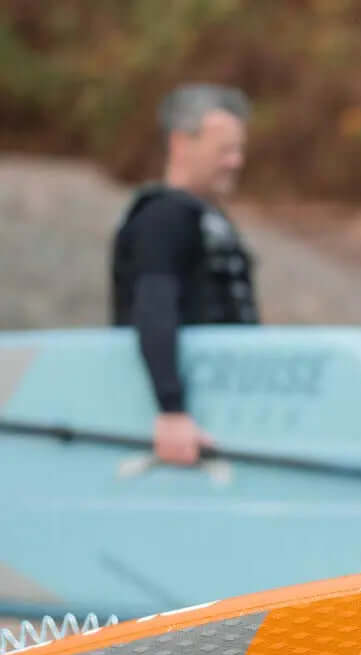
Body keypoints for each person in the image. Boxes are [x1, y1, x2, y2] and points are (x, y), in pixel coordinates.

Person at [111, 83, 258, 465]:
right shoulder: (163, 217)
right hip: (181, 420)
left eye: (239, 150)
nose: (236, 162)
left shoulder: (205, 217)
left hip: (217, 406)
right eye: (224, 150)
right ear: (181, 143)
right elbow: (154, 305)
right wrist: (171, 410)